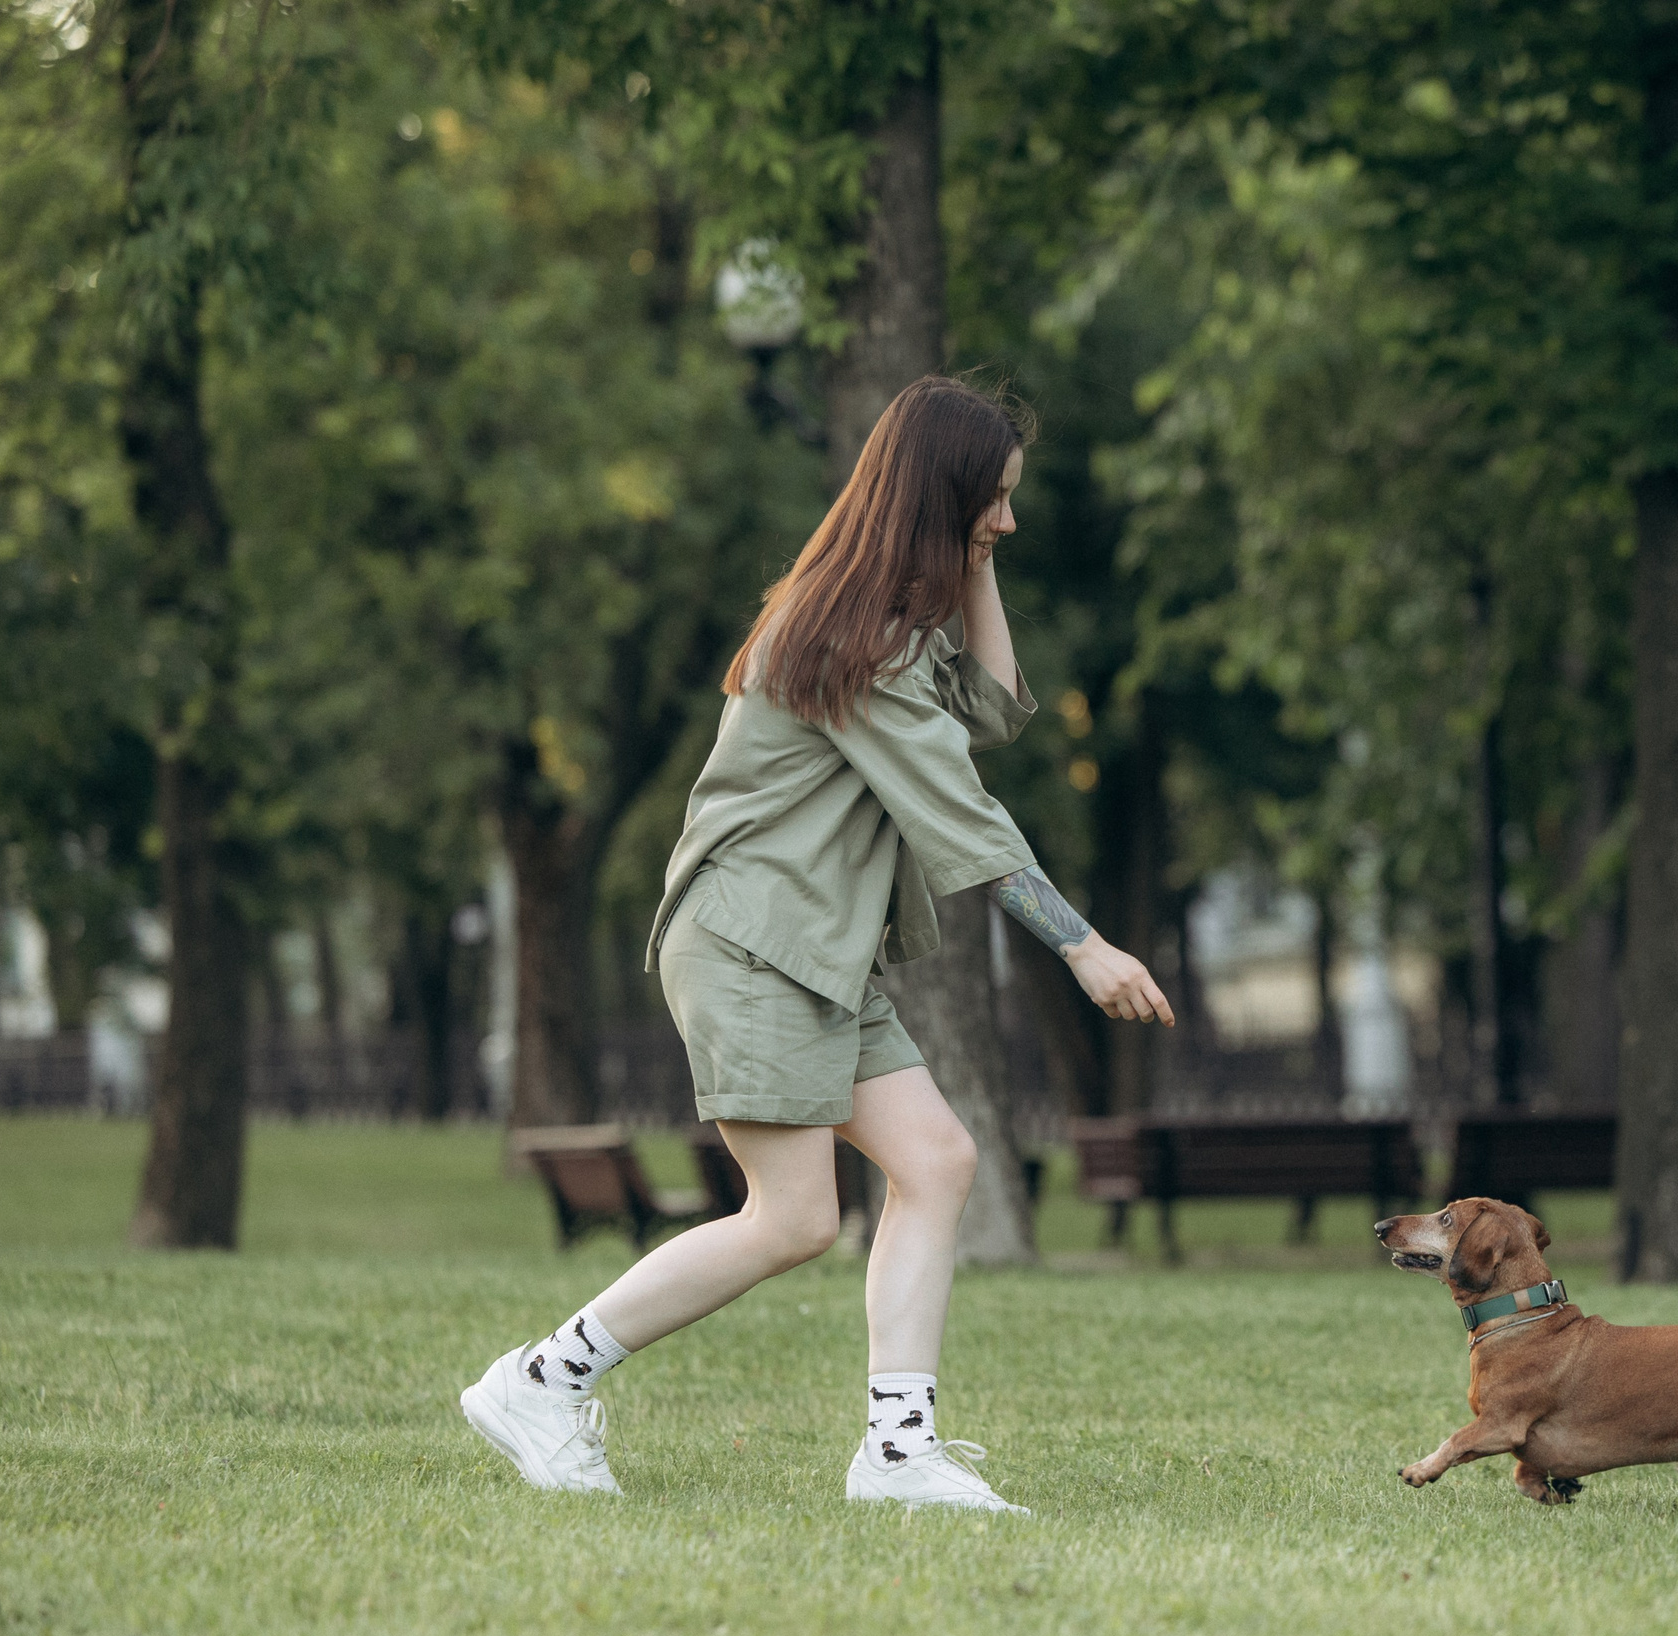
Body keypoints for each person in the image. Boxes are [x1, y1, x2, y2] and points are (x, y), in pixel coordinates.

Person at [460, 376, 1173, 1513]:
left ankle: (897, 1455)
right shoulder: (856, 641)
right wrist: (1081, 945)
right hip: (753, 948)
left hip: (817, 956)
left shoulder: (884, 624)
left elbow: (991, 713)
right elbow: (965, 812)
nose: (1011, 521)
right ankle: (541, 1379)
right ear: (938, 496)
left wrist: (975, 558)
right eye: (993, 501)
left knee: (936, 1164)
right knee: (792, 1218)